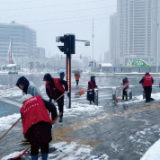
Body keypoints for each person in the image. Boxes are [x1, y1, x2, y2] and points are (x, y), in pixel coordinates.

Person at [20, 94, 57, 160]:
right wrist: (53, 118)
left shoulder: (23, 108)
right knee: (44, 145)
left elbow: (24, 122)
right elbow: (52, 107)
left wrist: (26, 134)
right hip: (44, 125)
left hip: (32, 129)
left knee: (34, 147)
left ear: (23, 102)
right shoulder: (39, 99)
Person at [16, 76, 42, 144]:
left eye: (20, 85)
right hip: (29, 110)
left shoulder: (33, 88)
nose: (20, 87)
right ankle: (30, 137)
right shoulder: (24, 90)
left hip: (36, 109)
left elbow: (39, 98)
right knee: (28, 124)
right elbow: (24, 101)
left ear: (24, 83)